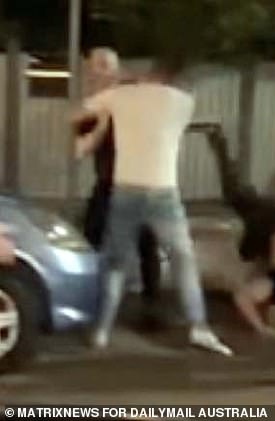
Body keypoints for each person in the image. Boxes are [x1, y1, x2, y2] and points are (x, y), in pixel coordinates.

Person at [76, 59, 233, 356]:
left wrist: (117, 93)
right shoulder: (183, 102)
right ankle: (199, 327)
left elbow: (83, 111)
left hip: (125, 189)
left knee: (116, 263)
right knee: (182, 260)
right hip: (163, 191)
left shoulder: (119, 97)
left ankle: (102, 330)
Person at [200, 125, 275, 338]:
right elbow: (243, 297)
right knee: (245, 246)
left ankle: (220, 144)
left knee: (239, 200)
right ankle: (220, 143)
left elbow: (248, 290)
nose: (268, 313)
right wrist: (262, 328)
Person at [74, 48, 162, 328]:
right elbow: (81, 148)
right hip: (107, 184)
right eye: (92, 69)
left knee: (146, 244)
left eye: (102, 68)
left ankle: (152, 310)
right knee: (90, 243)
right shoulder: (92, 107)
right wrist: (102, 122)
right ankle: (88, 304)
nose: (95, 74)